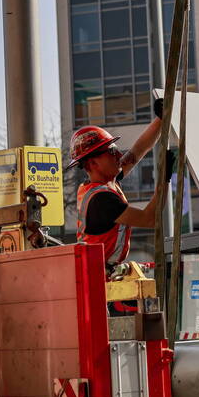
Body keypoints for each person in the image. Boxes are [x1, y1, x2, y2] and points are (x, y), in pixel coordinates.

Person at [68, 97, 168, 273]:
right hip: (96, 276)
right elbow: (150, 219)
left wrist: (161, 119)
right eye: (111, 151)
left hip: (101, 272)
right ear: (93, 164)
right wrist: (165, 179)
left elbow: (137, 151)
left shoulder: (106, 182)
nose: (118, 154)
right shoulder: (101, 201)